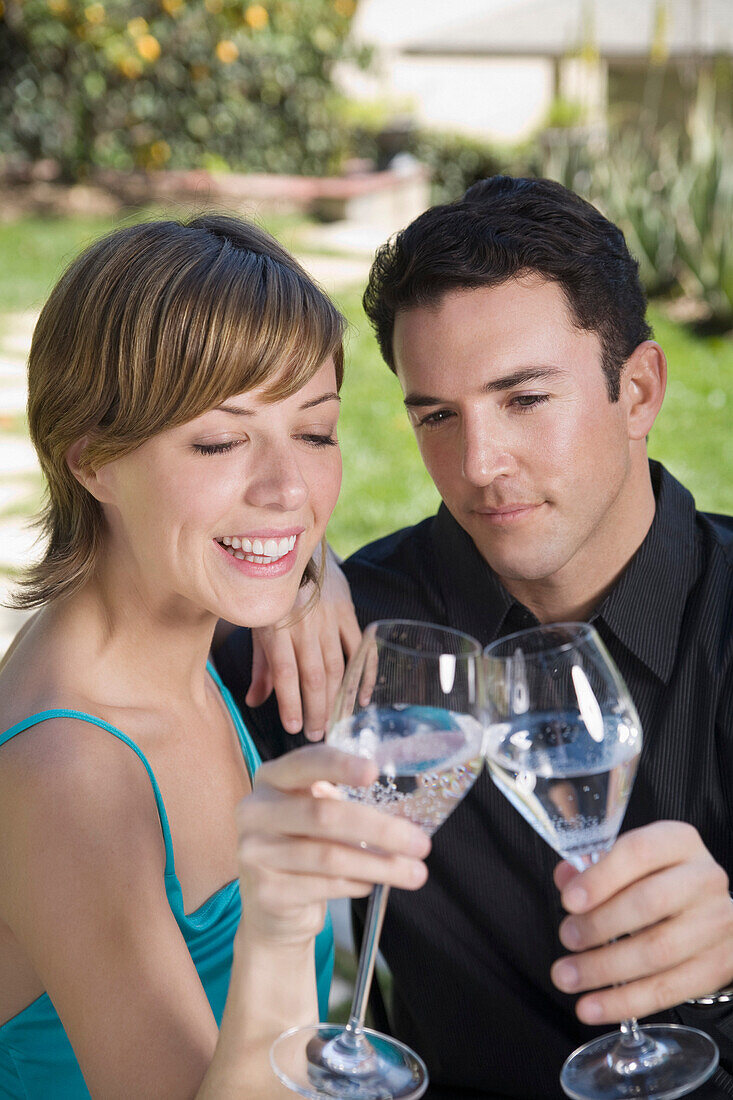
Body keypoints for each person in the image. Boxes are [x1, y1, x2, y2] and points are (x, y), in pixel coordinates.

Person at [216, 177, 733, 1099]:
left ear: (639, 390)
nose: (479, 467)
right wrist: (280, 568)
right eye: (435, 416)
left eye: (525, 399)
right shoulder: (346, 636)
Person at [0, 215, 432, 1099]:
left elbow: (272, 516)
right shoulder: (71, 770)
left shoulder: (163, 642)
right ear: (93, 460)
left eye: (314, 433)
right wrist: (278, 927)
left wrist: (310, 570)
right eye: (218, 441)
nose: (288, 491)